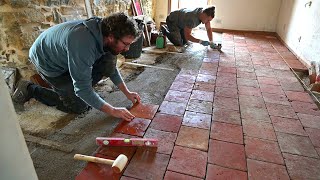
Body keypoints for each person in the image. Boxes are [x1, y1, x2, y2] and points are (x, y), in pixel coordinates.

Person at [12, 12, 141, 121]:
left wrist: (127, 93)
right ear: (112, 37)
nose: (127, 49)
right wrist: (112, 110)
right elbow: (82, 89)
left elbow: (110, 68)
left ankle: (80, 91)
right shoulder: (83, 45)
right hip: (47, 60)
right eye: (126, 44)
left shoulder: (105, 31)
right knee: (79, 106)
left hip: (68, 53)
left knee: (105, 63)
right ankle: (30, 89)